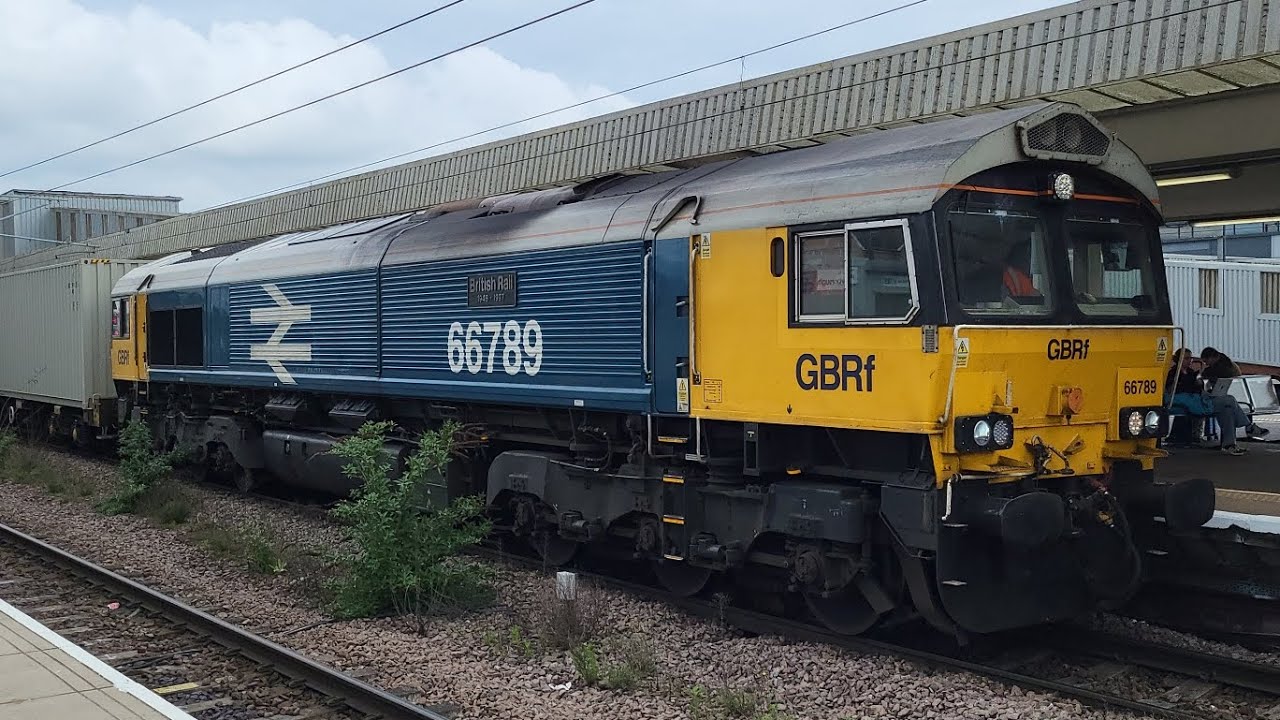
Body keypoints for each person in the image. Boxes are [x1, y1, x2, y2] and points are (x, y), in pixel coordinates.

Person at [1167, 348, 1267, 455]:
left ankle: (1230, 445)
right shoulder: (1174, 373)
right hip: (1191, 403)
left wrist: (1202, 384)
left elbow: (1197, 388)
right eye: (1187, 358)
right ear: (1179, 360)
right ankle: (1248, 427)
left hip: (1200, 400)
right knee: (1230, 399)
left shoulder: (1192, 372)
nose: (1190, 361)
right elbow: (1177, 389)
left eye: (1191, 358)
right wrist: (1196, 383)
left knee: (1227, 410)